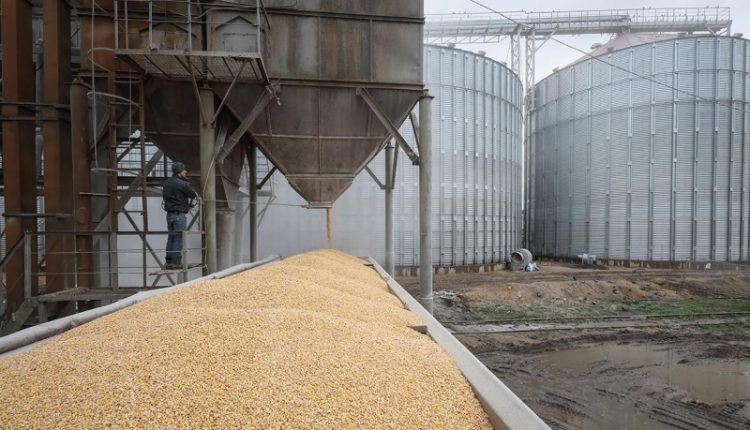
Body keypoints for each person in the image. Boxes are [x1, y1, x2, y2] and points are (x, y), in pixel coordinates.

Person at [163, 162, 197, 269]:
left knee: (171, 237)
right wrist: (188, 184)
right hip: (179, 214)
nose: (185, 171)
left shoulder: (166, 183)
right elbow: (193, 194)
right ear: (179, 172)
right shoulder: (182, 184)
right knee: (179, 237)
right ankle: (176, 262)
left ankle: (169, 262)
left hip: (169, 215)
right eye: (184, 170)